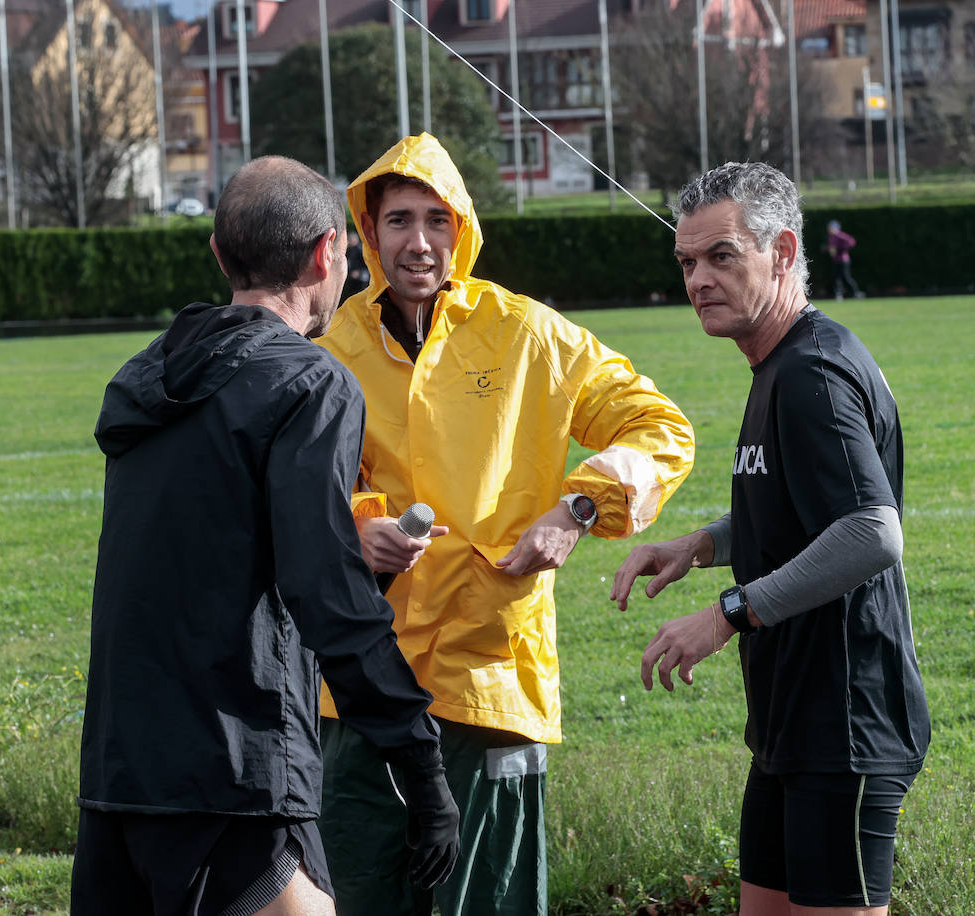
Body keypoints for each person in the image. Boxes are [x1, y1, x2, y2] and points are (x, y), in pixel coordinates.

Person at [315, 132, 695, 916]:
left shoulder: (527, 334)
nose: (418, 241)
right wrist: (359, 524)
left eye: (436, 219)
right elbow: (308, 480)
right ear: (368, 232)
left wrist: (579, 507)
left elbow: (661, 428)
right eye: (398, 221)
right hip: (359, 683)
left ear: (463, 228)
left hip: (490, 676)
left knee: (487, 903)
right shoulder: (334, 347)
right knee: (353, 896)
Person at [70, 156, 460, 916]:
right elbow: (327, 592)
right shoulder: (308, 381)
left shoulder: (143, 374)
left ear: (219, 255)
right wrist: (420, 765)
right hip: (234, 773)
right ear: (326, 254)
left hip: (120, 772)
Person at [612, 162, 930, 916]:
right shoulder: (780, 366)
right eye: (687, 261)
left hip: (846, 727)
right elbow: (798, 510)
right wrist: (701, 543)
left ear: (783, 252)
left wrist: (727, 612)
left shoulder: (812, 372)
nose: (699, 280)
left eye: (723, 256)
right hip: (791, 723)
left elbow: (871, 532)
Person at [825, 219, 865, 301]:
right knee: (836, 278)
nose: (829, 229)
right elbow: (832, 248)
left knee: (846, 277)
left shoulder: (840, 235)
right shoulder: (831, 237)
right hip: (836, 260)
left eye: (831, 227)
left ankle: (856, 292)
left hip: (844, 260)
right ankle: (838, 294)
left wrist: (841, 249)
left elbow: (851, 242)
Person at [340, 228, 370, 302]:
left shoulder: (361, 249)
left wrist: (359, 272)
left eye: (349, 240)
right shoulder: (351, 250)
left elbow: (368, 265)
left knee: (360, 299)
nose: (348, 242)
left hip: (362, 280)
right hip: (353, 279)